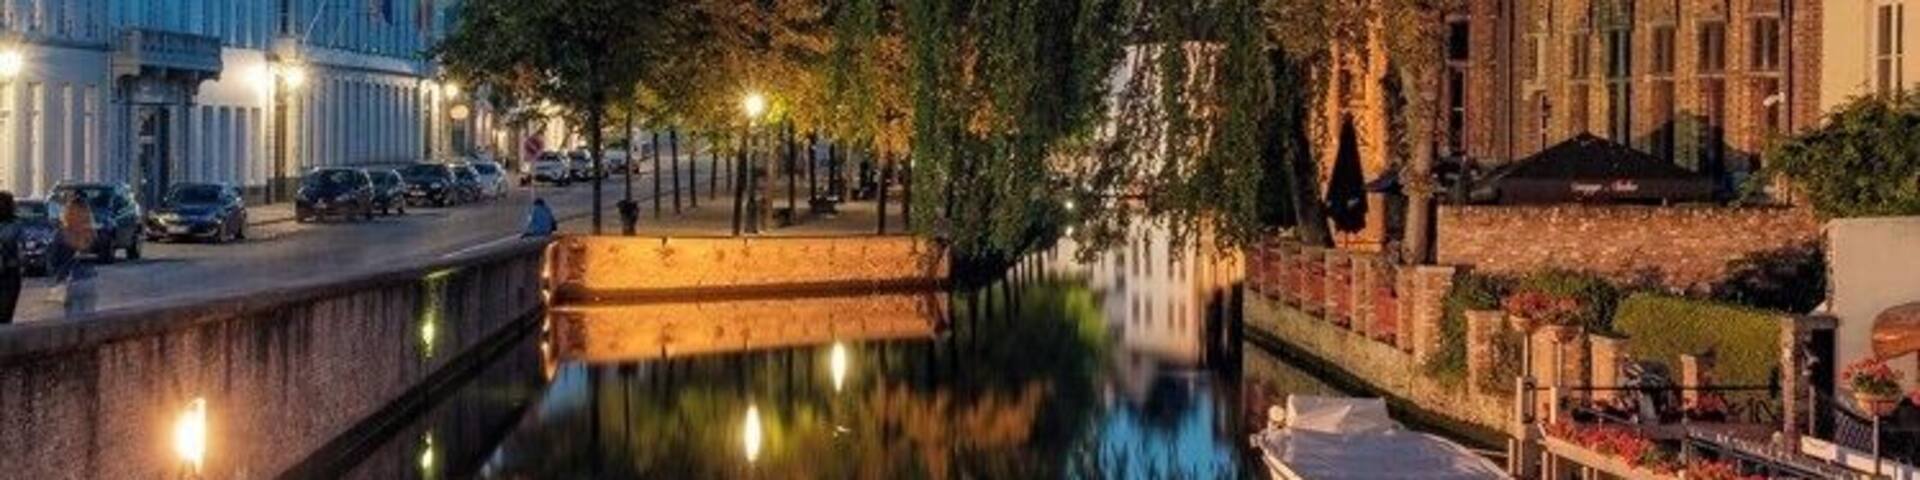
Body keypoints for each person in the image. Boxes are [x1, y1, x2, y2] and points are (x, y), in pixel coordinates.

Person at [56, 195, 95, 314]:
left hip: (69, 279)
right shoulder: (90, 231)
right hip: (88, 278)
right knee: (88, 316)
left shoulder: (63, 233)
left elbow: (55, 258)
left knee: (71, 317)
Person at [0, 192, 21, 324]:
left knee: (5, 314)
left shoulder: (15, 225)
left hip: (9, 272)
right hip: (10, 272)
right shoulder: (16, 225)